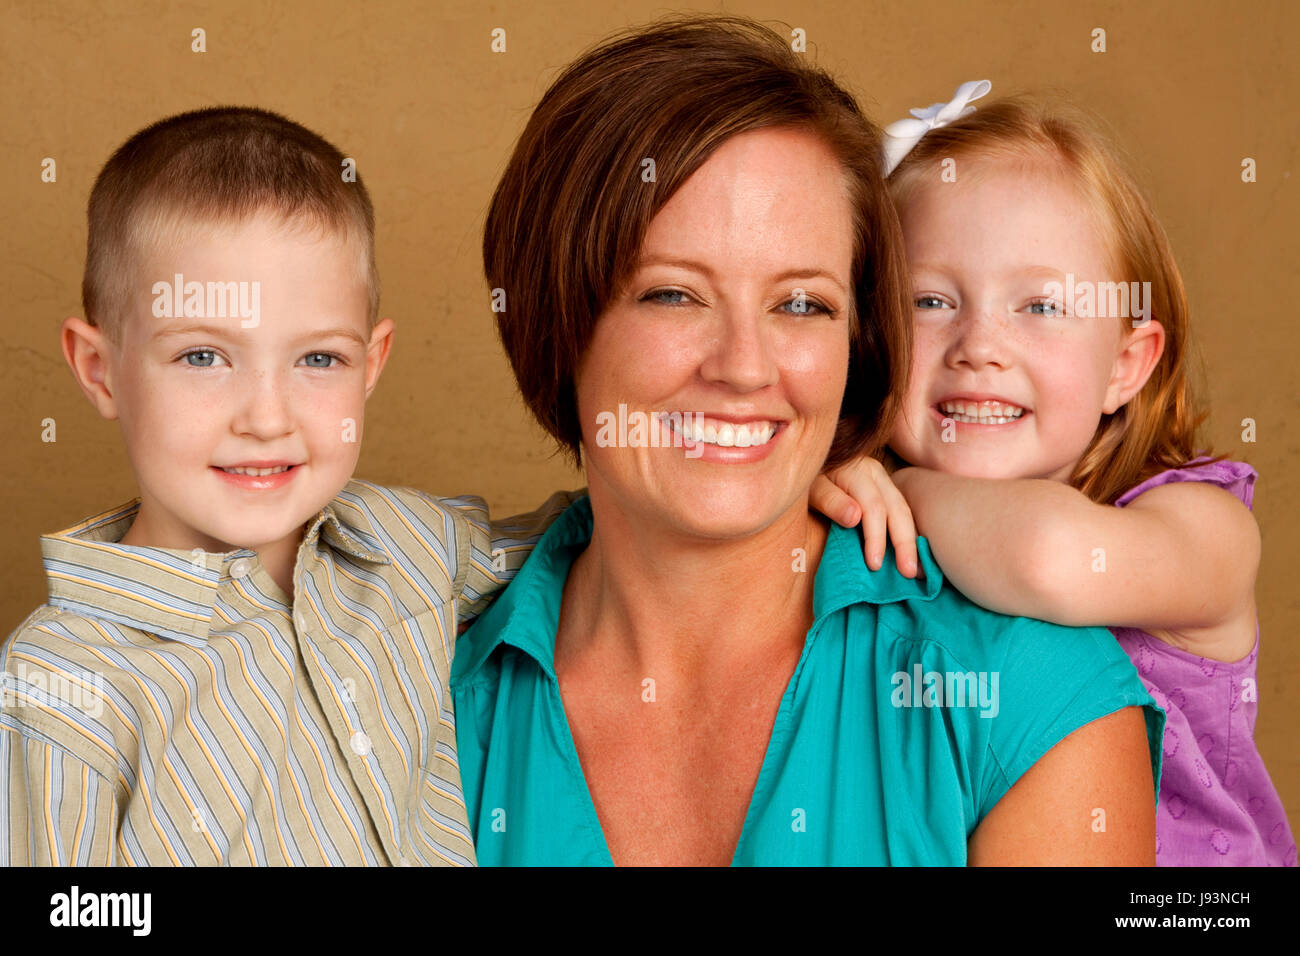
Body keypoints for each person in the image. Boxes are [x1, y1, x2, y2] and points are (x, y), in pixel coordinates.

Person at [451, 16, 1166, 866]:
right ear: (558, 317)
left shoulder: (1025, 695)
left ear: (858, 343)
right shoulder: (416, 700)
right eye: (673, 294)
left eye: (802, 304)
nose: (744, 368)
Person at [0, 106, 575, 865]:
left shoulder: (414, 548)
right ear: (100, 370)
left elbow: (603, 537)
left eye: (318, 360)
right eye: (203, 357)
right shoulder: (60, 679)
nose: (267, 419)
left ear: (371, 365)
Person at [820, 89, 1296, 866]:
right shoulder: (856, 521)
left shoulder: (1204, 528)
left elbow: (1047, 558)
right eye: (930, 300)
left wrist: (900, 487)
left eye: (1040, 306)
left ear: (1125, 365)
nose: (979, 345)